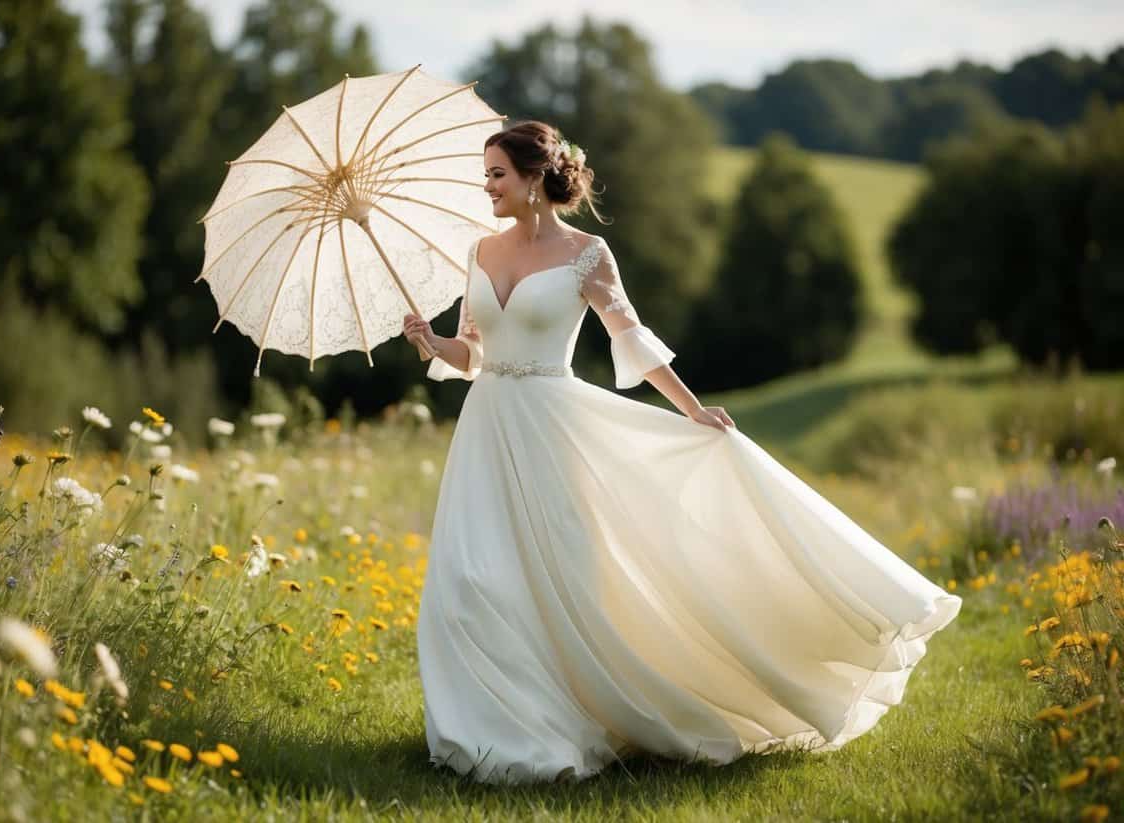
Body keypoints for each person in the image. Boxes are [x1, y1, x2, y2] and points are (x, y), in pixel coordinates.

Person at [401, 120, 961, 786]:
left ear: (533, 178)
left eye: (496, 173)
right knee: (469, 580)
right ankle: (487, 728)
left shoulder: (588, 253)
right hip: (487, 426)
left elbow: (629, 335)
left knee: (564, 575)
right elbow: (475, 351)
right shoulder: (480, 251)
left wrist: (692, 408)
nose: (486, 185)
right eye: (485, 174)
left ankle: (570, 715)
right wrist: (432, 344)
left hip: (555, 426)